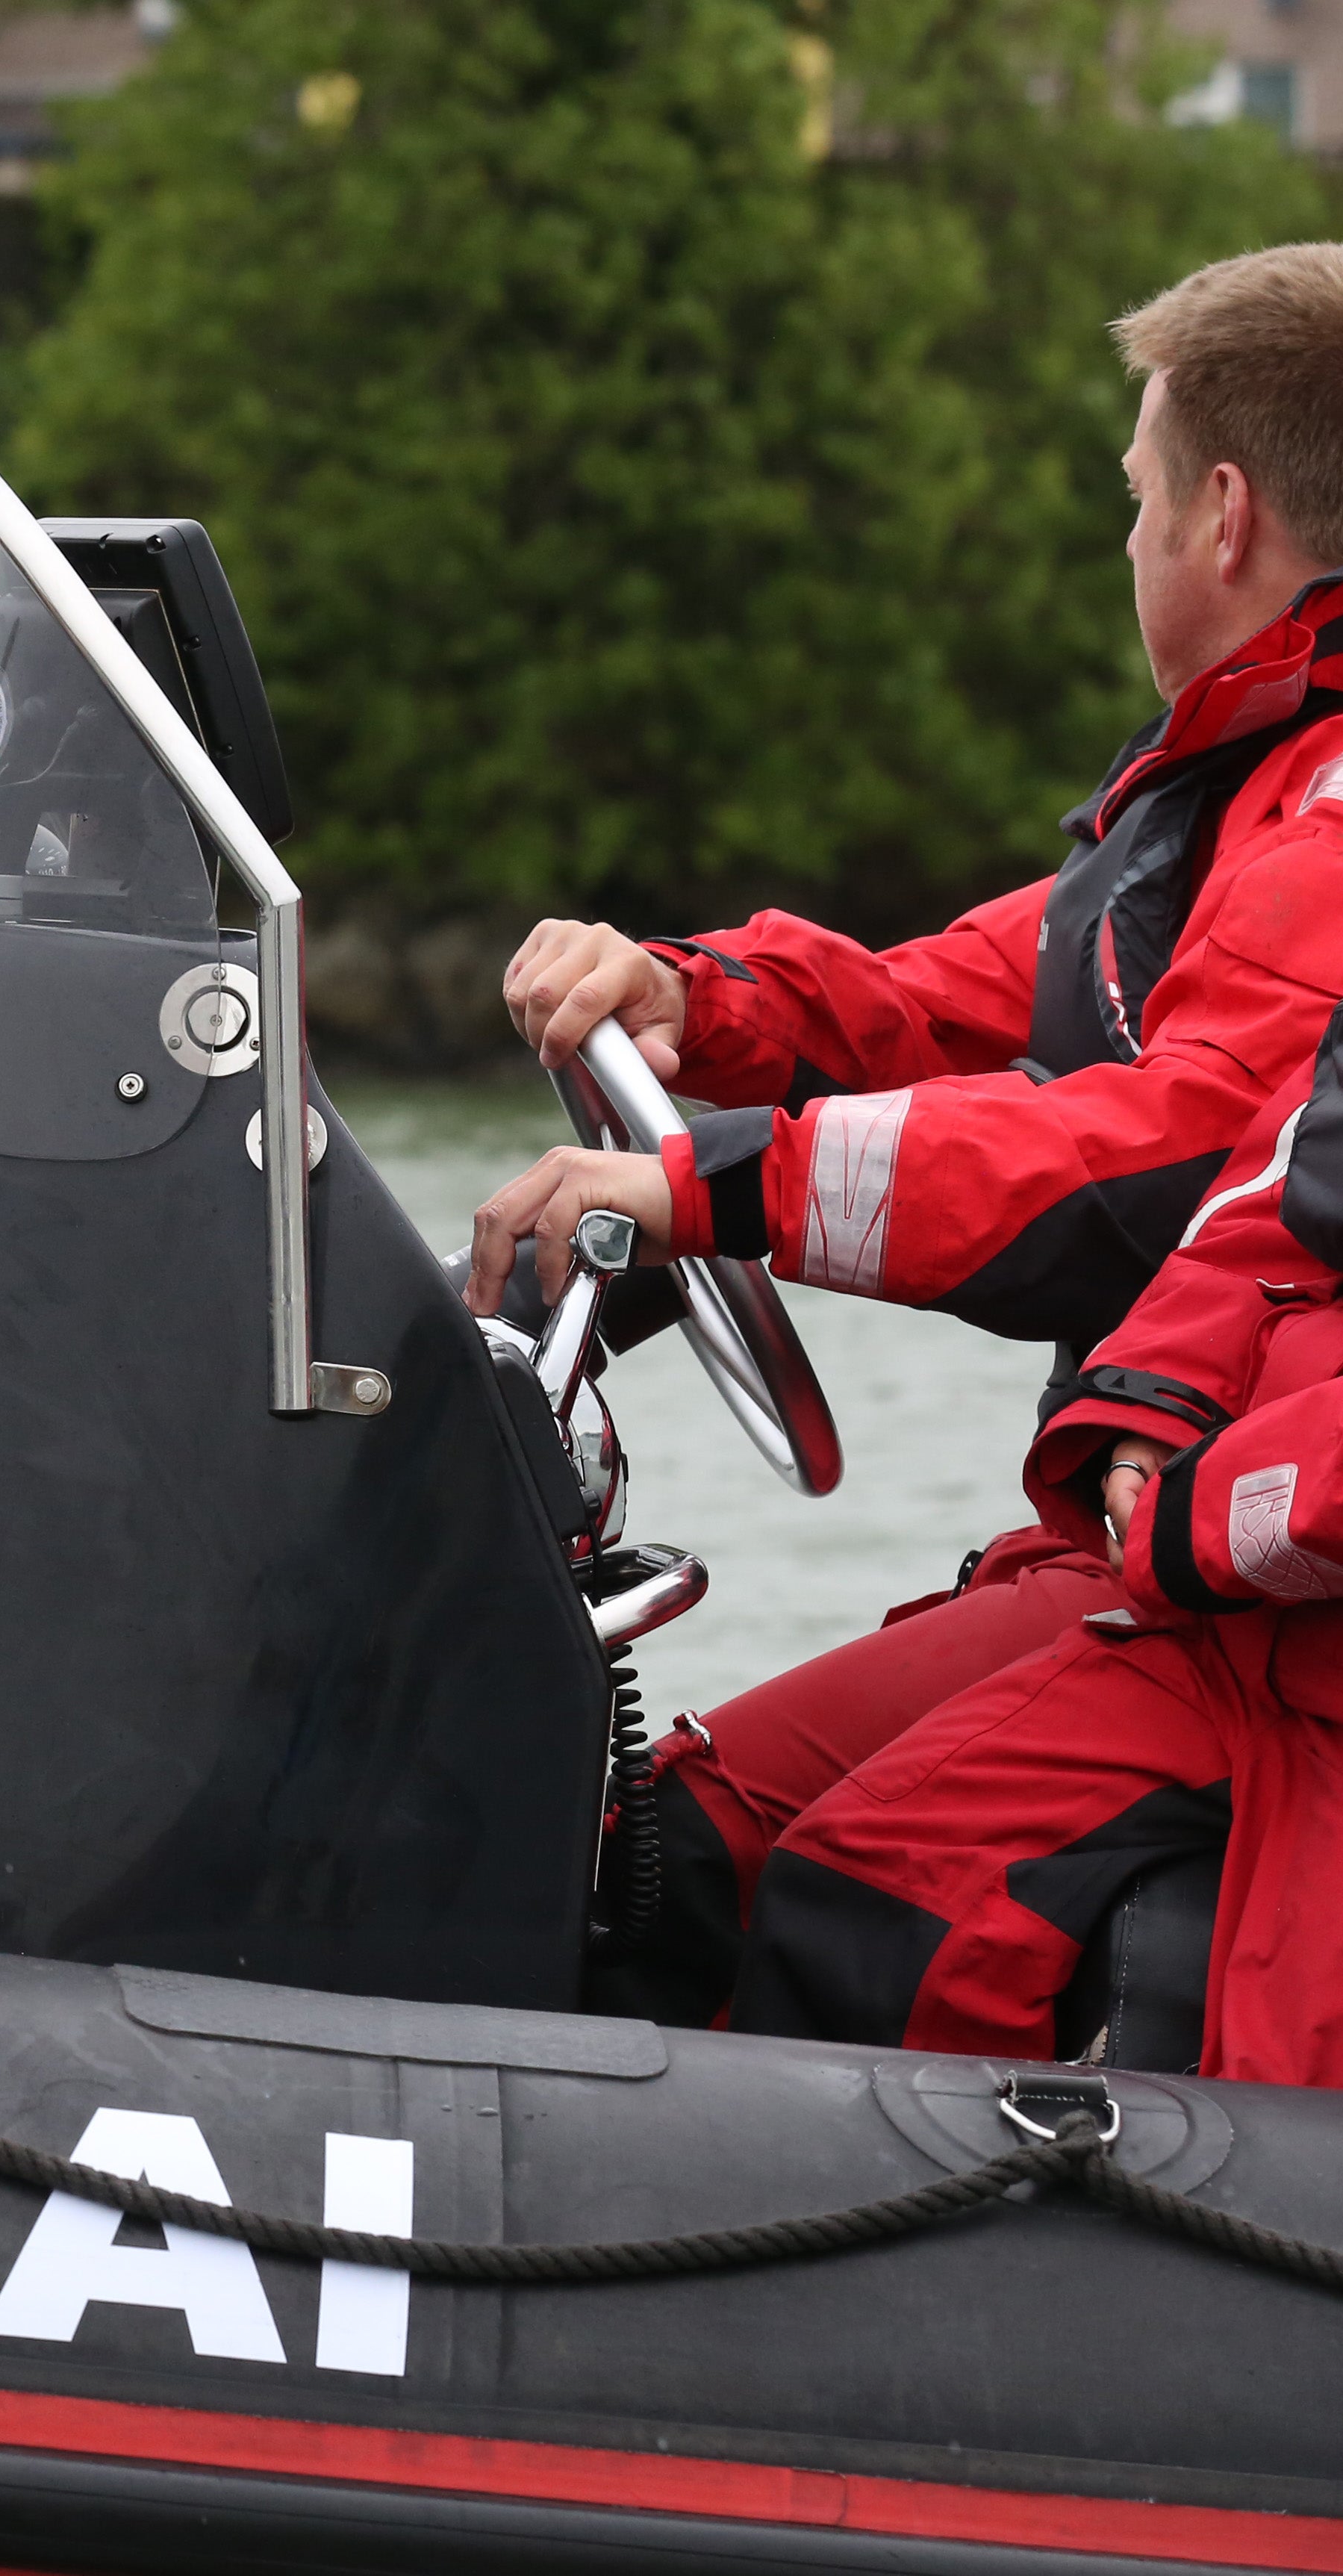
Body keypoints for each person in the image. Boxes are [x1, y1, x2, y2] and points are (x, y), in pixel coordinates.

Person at [459, 244, 1343, 2020]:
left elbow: (1157, 1146)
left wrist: (704, 1184)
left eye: (1132, 497)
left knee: (807, 1889)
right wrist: (689, 999)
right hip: (1143, 1537)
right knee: (669, 1836)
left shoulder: (1320, 810)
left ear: (1218, 514)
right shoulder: (1248, 788)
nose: (1123, 543)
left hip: (1238, 1587)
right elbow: (962, 988)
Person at [732, 1006, 1343, 2082]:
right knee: (870, 1889)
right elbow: (1260, 1213)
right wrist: (1156, 1410)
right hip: (1231, 1627)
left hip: (1260, 1597)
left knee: (1283, 2062)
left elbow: (1164, 1128)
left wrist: (732, 1187)